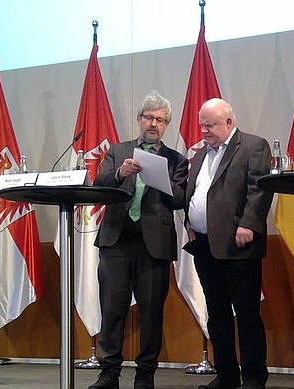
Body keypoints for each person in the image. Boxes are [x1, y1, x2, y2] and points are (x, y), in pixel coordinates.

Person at [88, 90, 188, 389]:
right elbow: (99, 186)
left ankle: (145, 372)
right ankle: (109, 372)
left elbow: (182, 198)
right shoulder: (118, 151)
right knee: (112, 309)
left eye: (160, 119)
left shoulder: (176, 160)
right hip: (117, 240)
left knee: (151, 312)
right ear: (139, 119)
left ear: (166, 124)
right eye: (149, 118)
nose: (153, 124)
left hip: (153, 245)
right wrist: (120, 172)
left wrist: (162, 180)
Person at [184, 98, 272, 389]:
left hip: (239, 246)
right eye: (202, 125)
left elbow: (259, 188)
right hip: (204, 247)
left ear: (229, 122)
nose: (204, 130)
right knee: (217, 314)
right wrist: (190, 223)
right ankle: (226, 375)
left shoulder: (252, 146)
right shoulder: (199, 155)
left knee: (246, 315)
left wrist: (248, 223)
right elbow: (195, 194)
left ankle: (254, 379)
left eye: (209, 125)